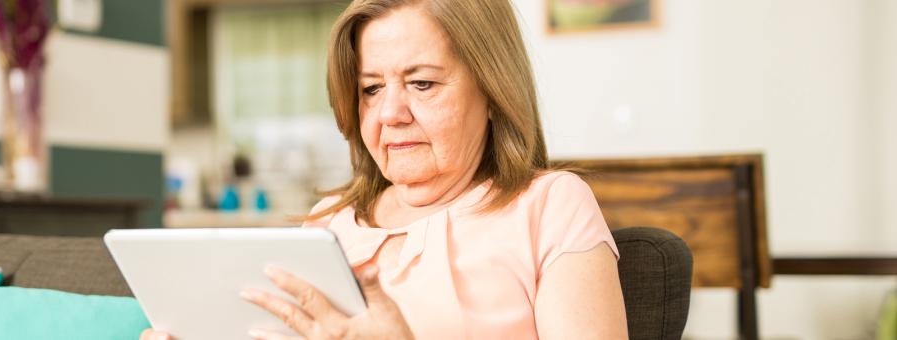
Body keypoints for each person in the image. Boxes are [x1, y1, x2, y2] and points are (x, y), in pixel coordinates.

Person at [144, 0, 627, 338]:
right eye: (371, 89)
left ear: (494, 93)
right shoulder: (328, 220)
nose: (389, 113)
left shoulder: (551, 206)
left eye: (421, 83)